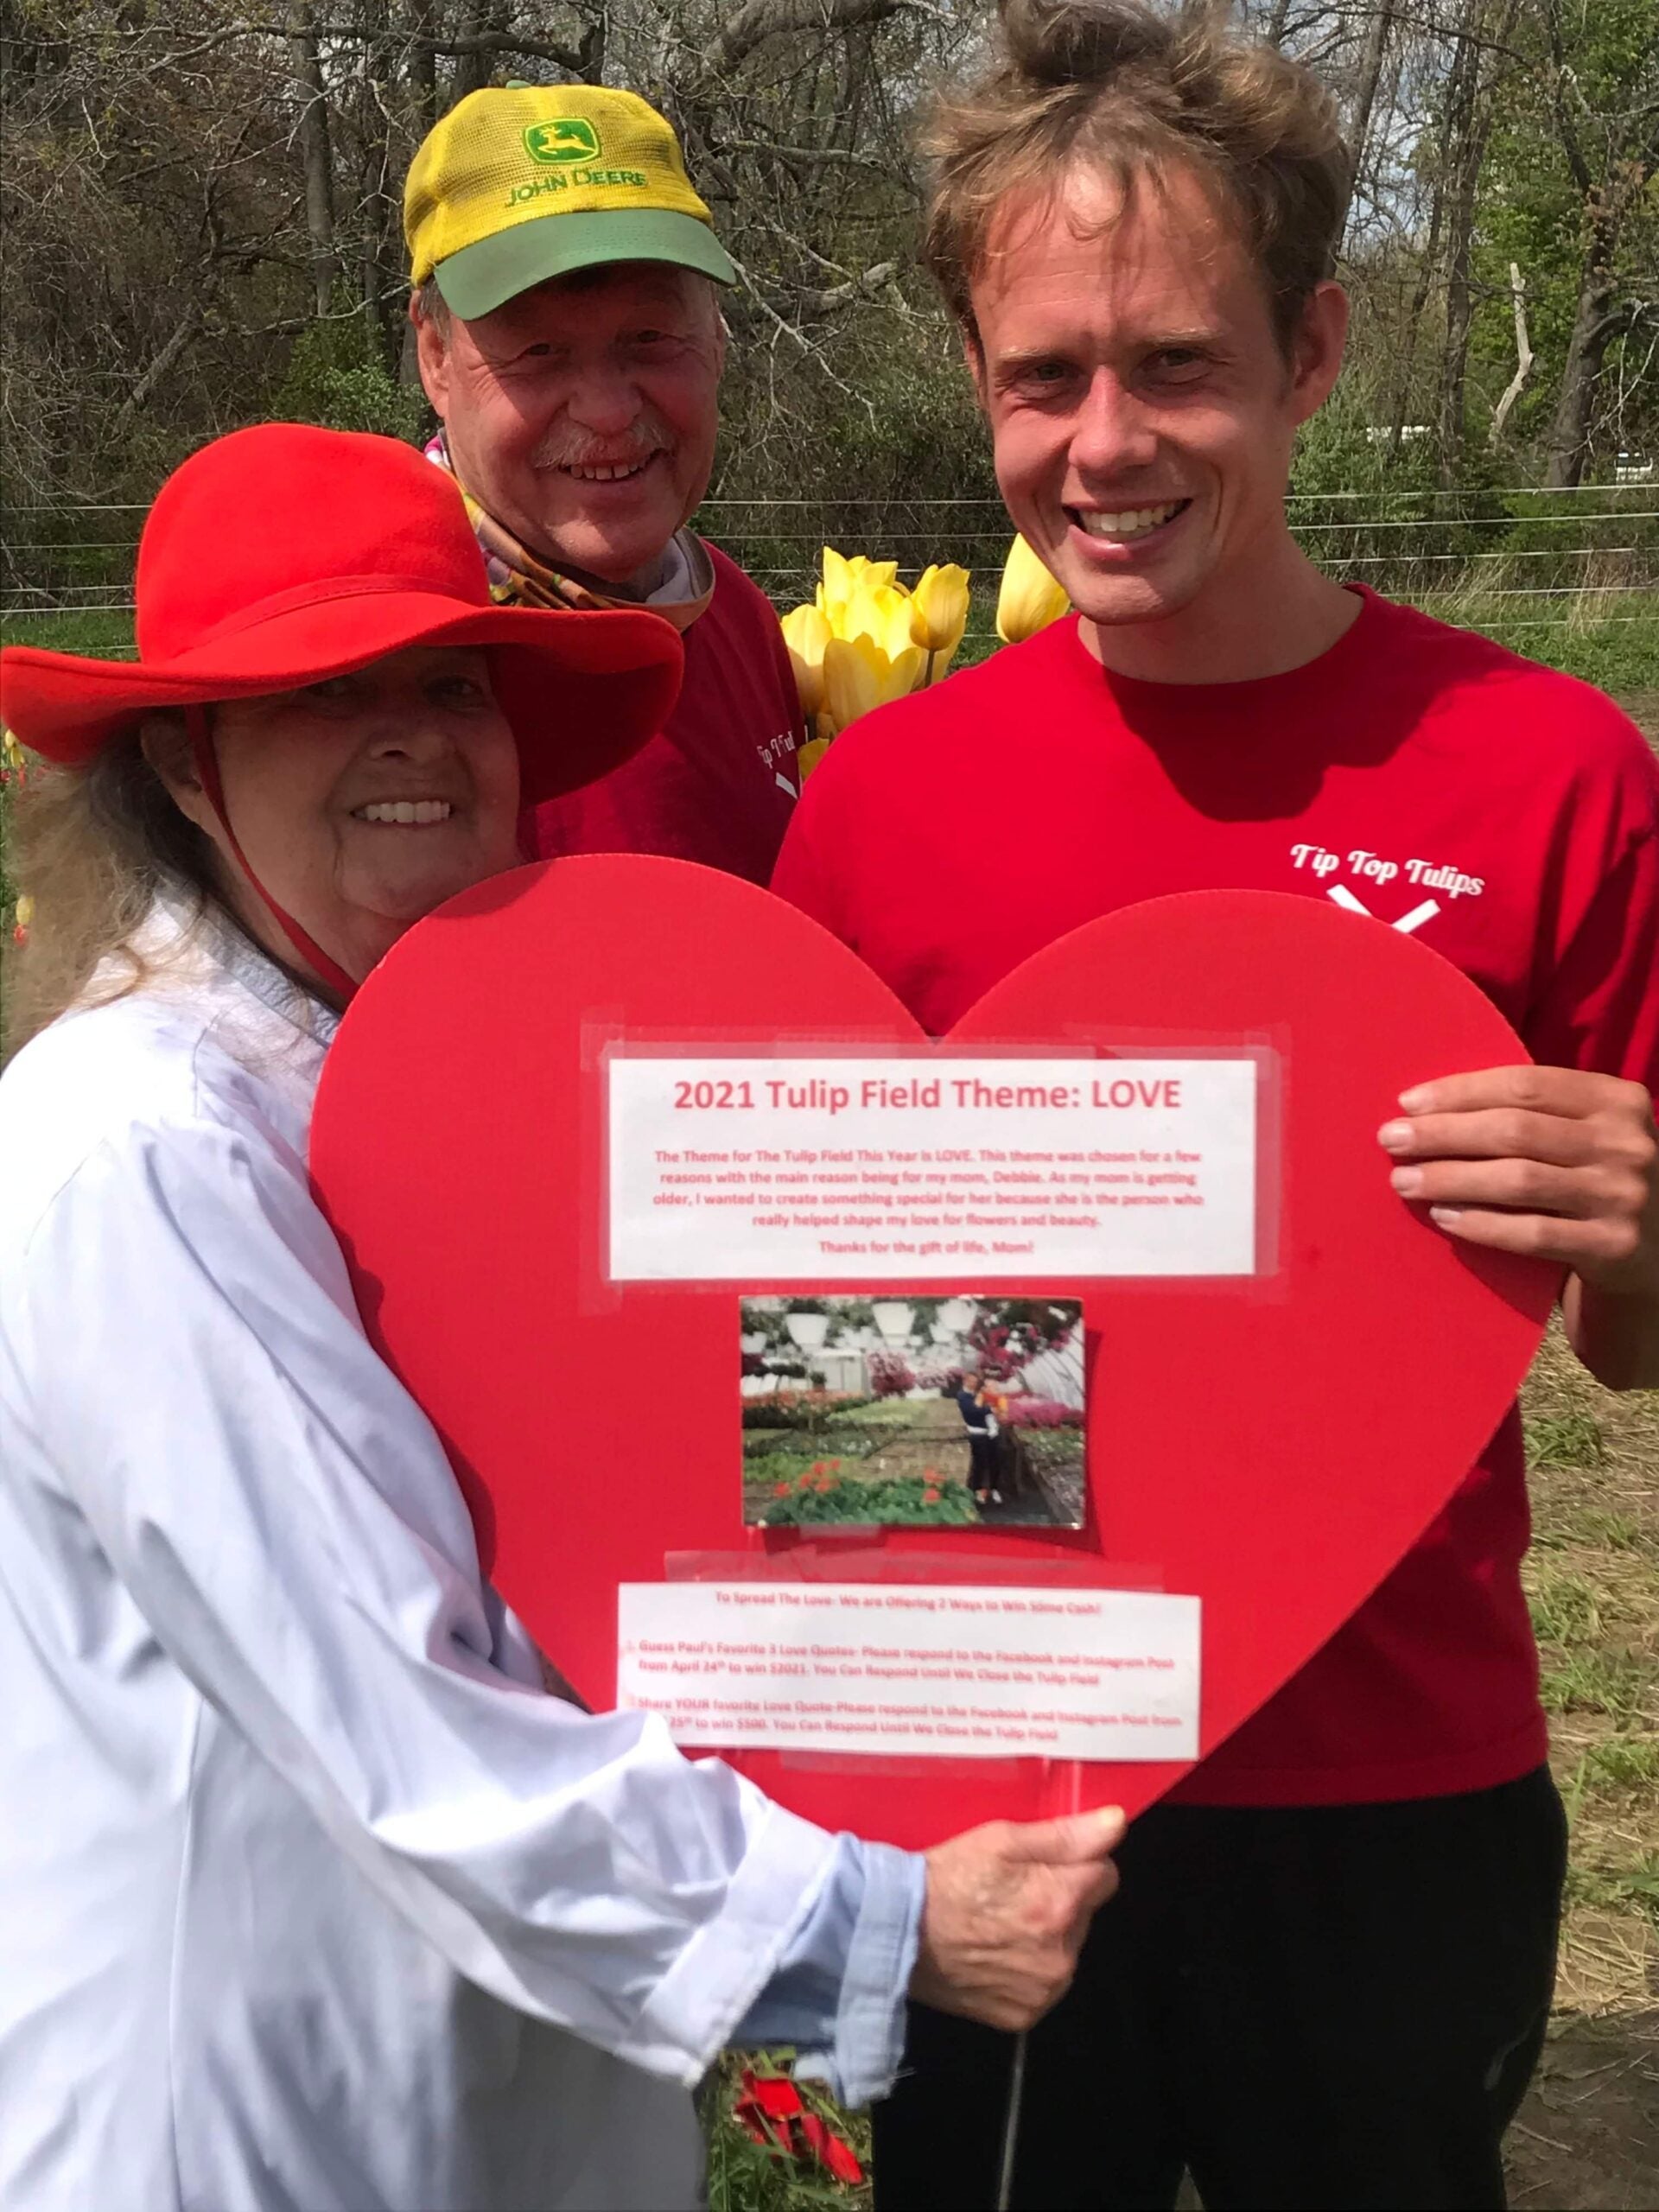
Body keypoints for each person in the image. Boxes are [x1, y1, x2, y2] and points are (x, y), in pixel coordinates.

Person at [0, 423, 1127, 2212]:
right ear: (186, 763)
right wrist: (888, 1915)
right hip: (258, 2099)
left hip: (522, 2075)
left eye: (455, 680)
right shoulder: (144, 1149)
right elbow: (399, 1712)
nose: (416, 736)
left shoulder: (477, 1086)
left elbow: (701, 1421)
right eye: (325, 691)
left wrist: (1091, 1435)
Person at [772, 5, 1659, 2208]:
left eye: (1173, 362)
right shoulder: (878, 803)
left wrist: (1645, 1226)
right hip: (1005, 1798)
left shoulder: (1546, 769)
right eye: (1040, 376)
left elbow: (1628, 1342)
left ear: (1314, 349)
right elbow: (828, 1356)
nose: (1104, 441)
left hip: (1392, 1779)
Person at [404, 81, 805, 883]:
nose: (611, 412)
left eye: (651, 337)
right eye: (539, 352)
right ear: (437, 359)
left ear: (718, 340)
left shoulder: (734, 615)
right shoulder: (381, 655)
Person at [955, 1368, 1003, 1507]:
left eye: (975, 1381)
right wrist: (990, 1409)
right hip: (977, 1434)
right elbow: (971, 1412)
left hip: (990, 1433)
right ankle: (978, 1491)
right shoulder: (963, 1396)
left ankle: (994, 1489)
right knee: (980, 1464)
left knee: (995, 1462)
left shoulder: (977, 1394)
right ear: (965, 1381)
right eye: (971, 1381)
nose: (973, 1383)